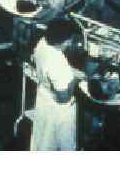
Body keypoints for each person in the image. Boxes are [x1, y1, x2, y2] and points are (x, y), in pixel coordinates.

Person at [30, 18, 80, 151]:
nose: (70, 43)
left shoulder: (42, 43)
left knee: (42, 140)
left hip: (44, 98)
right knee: (64, 145)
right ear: (64, 41)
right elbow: (64, 98)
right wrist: (75, 79)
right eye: (69, 39)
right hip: (59, 108)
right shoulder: (58, 63)